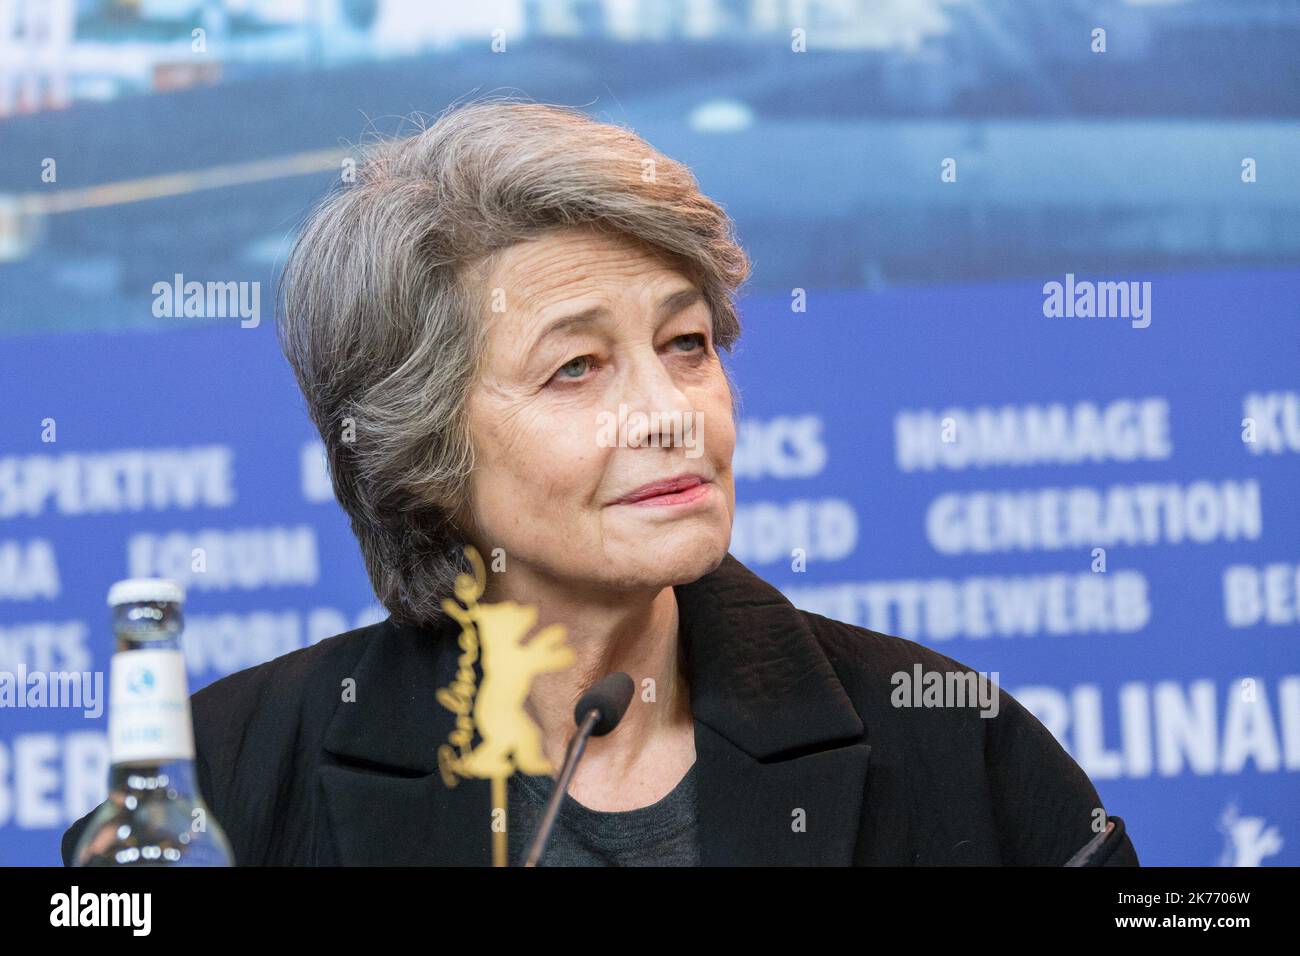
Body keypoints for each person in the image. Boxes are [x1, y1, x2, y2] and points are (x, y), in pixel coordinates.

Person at [63, 99, 1138, 866]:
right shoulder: (222, 781)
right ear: (421, 444)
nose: (671, 410)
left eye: (685, 342)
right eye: (575, 366)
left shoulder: (958, 745)